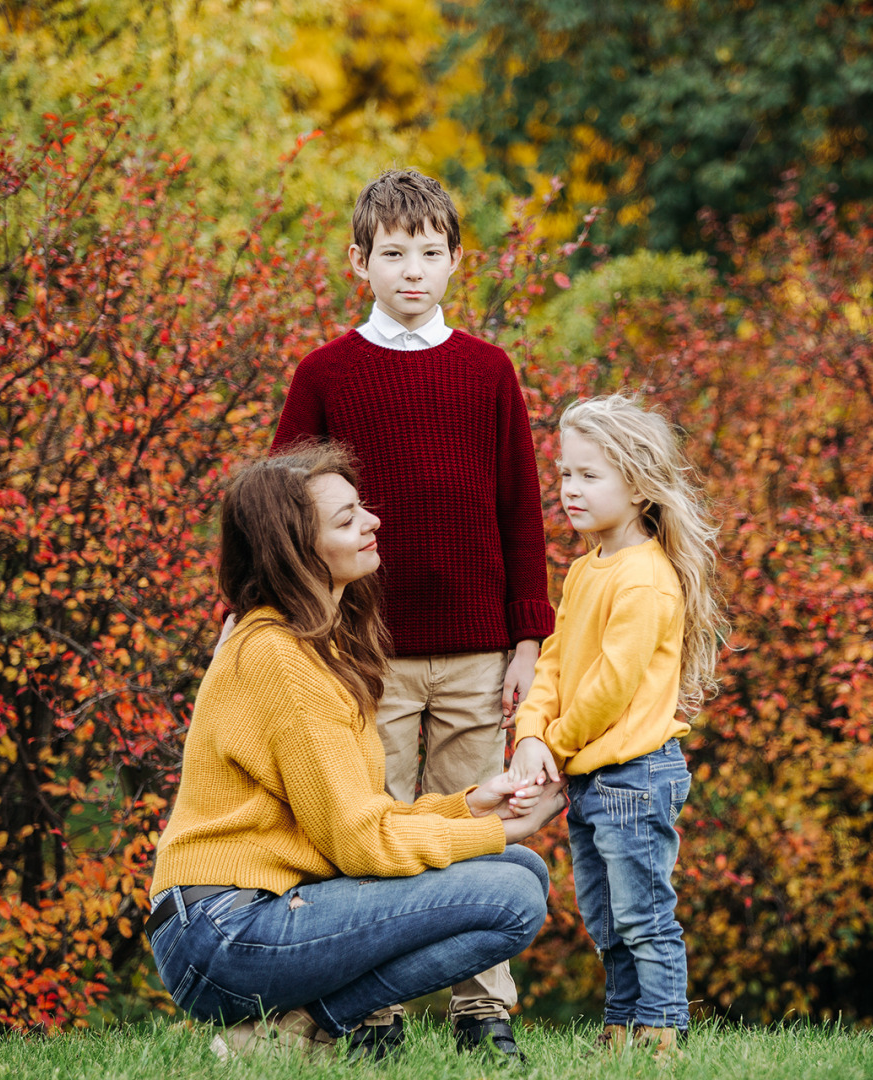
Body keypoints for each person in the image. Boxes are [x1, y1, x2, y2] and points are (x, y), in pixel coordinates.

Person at [147, 445, 565, 1064]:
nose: (372, 521)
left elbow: (362, 819)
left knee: (524, 874)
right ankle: (295, 1029)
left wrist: (471, 805)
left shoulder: (317, 648)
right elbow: (360, 846)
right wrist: (495, 830)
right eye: (346, 520)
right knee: (511, 892)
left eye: (360, 507)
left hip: (252, 914)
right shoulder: (279, 659)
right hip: (220, 932)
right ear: (296, 552)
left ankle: (286, 1034)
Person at [268, 168, 554, 1060]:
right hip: (365, 650)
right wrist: (300, 625)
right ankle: (372, 1013)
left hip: (475, 648)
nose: (413, 272)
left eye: (430, 254)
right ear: (360, 261)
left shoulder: (487, 371)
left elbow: (521, 507)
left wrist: (528, 636)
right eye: (393, 254)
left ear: (455, 261)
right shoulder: (325, 374)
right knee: (373, 819)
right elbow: (284, 506)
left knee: (480, 820)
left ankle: (485, 1011)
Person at [508, 394, 728, 1058]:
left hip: (634, 774)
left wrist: (556, 743)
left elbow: (611, 686)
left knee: (642, 913)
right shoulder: (584, 571)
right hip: (588, 771)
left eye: (589, 476)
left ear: (638, 488)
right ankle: (621, 1025)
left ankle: (660, 1035)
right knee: (605, 917)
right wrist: (529, 734)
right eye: (565, 474)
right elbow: (551, 663)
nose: (569, 489)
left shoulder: (645, 579)